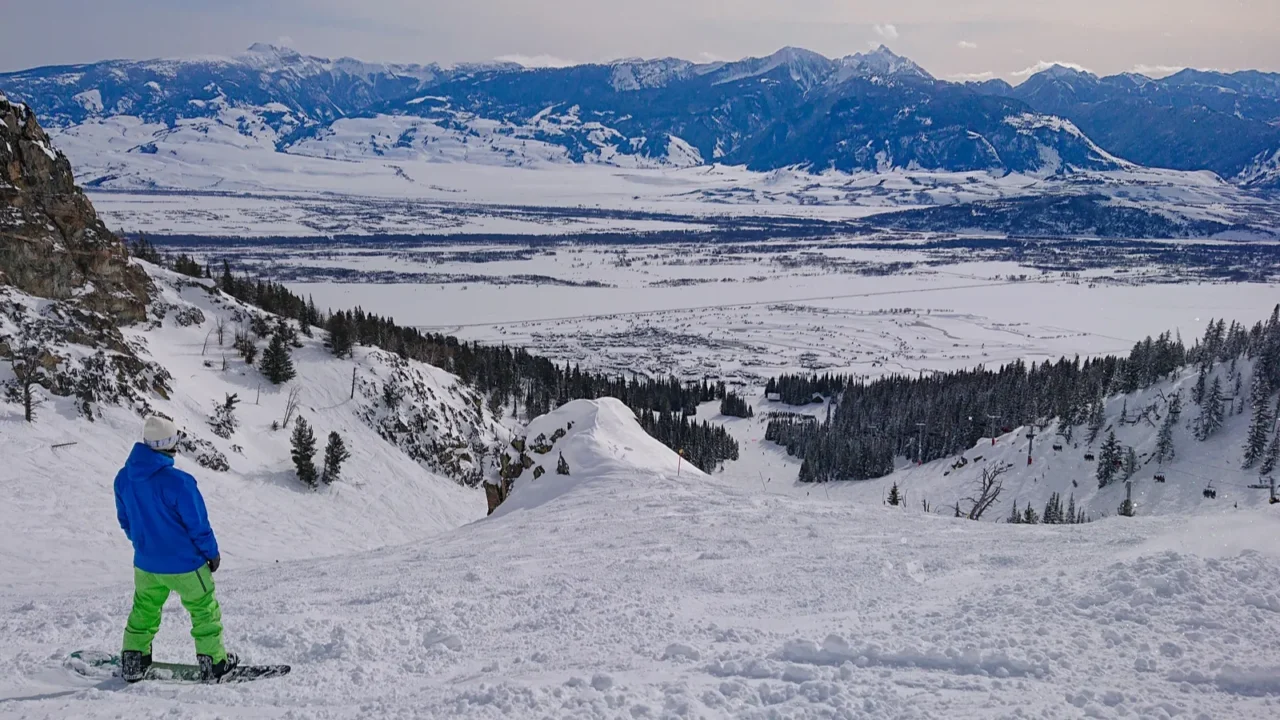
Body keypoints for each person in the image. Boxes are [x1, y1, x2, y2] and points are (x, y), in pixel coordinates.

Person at [114, 415, 238, 682]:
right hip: (185, 565)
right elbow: (198, 526)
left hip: (146, 564)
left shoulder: (124, 478)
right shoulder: (179, 482)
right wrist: (211, 554)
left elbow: (126, 521)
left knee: (144, 610)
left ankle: (134, 659)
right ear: (171, 443)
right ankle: (213, 662)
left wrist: (144, 545)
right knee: (204, 609)